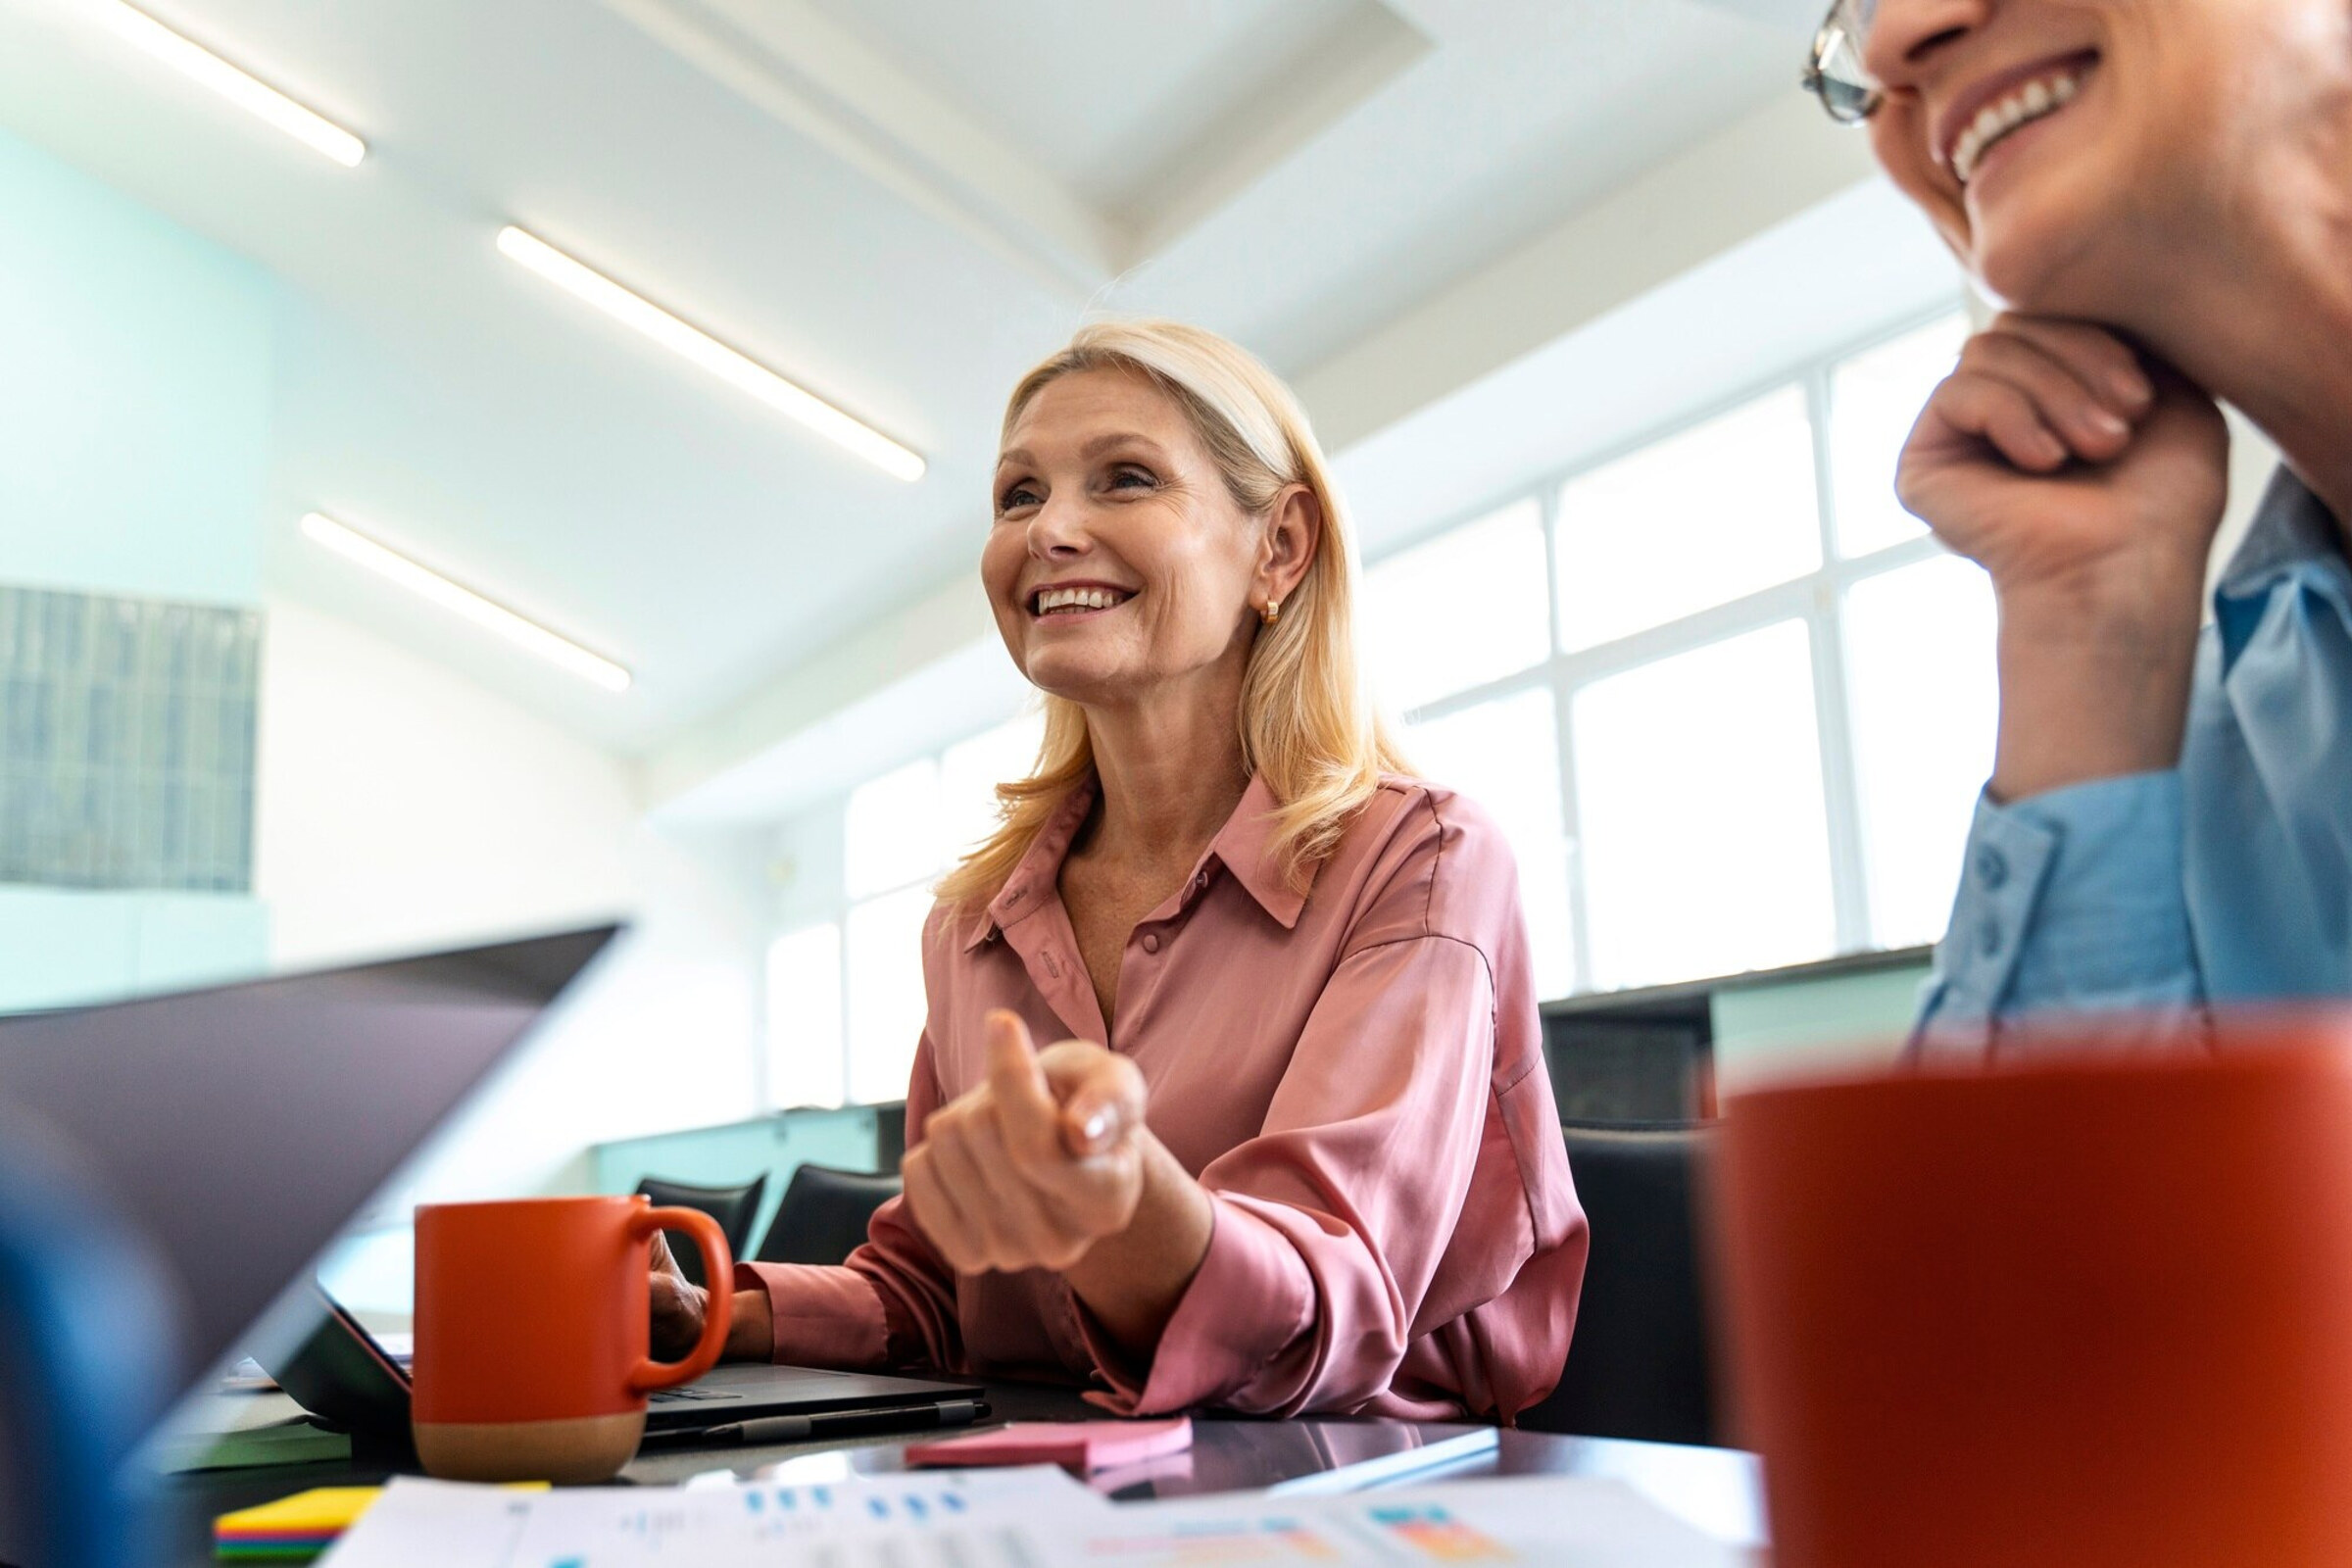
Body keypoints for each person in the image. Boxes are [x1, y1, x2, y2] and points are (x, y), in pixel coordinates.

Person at [653, 319, 1586, 1419]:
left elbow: (1321, 1298)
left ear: (1279, 548)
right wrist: (712, 1313)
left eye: (1126, 478)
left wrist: (1120, 1205)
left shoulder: (1421, 860)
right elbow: (943, 1288)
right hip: (1049, 1478)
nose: (1049, 530)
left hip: (1340, 1480)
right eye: (1018, 495)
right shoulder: (972, 926)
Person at [1799, 0, 2352, 1041]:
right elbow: (2047, 1160)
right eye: (1858, 9)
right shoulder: (2176, 758)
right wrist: (2088, 636)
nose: (1898, 34)